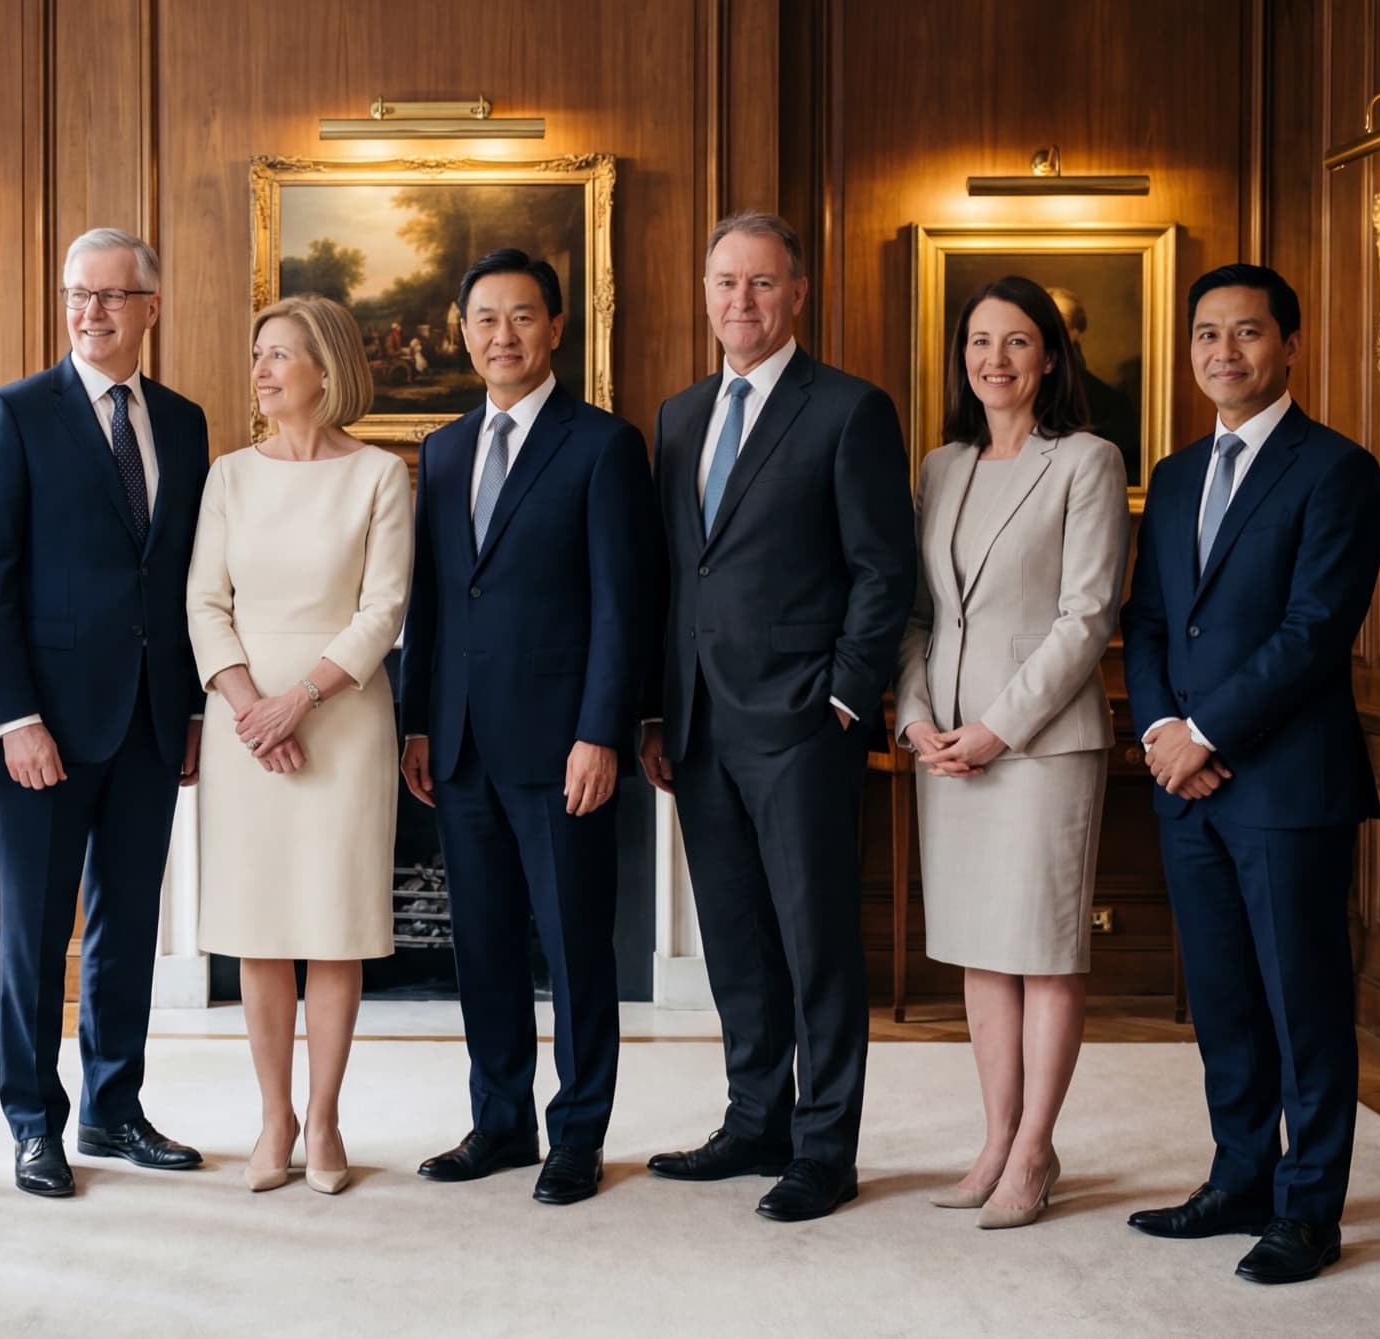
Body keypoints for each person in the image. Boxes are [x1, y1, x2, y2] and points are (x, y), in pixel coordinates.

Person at [641, 212, 916, 1222]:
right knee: (735, 938)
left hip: (803, 722)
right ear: (706, 294)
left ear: (797, 293)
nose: (741, 301)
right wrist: (655, 711)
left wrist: (844, 695)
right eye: (725, 282)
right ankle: (755, 1118)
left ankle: (824, 1147)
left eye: (762, 283)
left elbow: (884, 569)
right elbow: (676, 574)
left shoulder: (849, 408)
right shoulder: (679, 415)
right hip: (698, 722)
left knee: (816, 943)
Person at [1120, 263, 1380, 1284]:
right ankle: (1239, 1177)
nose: (1223, 351)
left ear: (1289, 346)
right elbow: (1150, 619)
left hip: (1286, 786)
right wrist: (1161, 730)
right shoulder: (1176, 472)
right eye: (1206, 334)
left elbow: (1314, 630)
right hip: (1184, 784)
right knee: (1225, 1000)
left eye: (1246, 332)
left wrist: (1206, 732)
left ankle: (1308, 1208)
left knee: (1302, 1003)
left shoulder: (1337, 469)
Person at [400, 249, 658, 1206]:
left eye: (520, 316)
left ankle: (578, 1133)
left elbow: (623, 605)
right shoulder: (443, 450)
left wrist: (602, 731)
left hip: (562, 746)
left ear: (554, 327)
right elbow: (433, 599)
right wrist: (418, 722)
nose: (501, 335)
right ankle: (501, 1121)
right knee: (485, 944)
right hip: (460, 742)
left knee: (577, 944)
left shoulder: (603, 445)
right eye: (484, 319)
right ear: (463, 333)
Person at [0, 228, 209, 1197]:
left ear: (151, 307)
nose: (90, 312)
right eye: (77, 294)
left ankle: (113, 1107)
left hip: (151, 717)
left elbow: (184, 579)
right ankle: (34, 1123)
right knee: (34, 932)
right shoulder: (14, 414)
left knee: (127, 924)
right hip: (46, 725)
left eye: (110, 296)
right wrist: (13, 715)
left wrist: (190, 709)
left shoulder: (183, 422)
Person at [894, 276, 1130, 1230]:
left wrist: (999, 726)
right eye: (979, 341)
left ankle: (1035, 1148)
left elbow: (1087, 617)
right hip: (946, 744)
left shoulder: (1087, 460)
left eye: (1017, 341)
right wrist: (916, 718)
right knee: (980, 950)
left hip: (1038, 747)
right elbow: (919, 614)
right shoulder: (940, 465)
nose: (994, 359)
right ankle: (995, 1139)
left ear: (1051, 357)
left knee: (1042, 948)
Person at [186, 295, 412, 1195]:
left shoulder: (380, 475)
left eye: (281, 354)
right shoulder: (229, 476)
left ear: (328, 368)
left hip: (343, 720)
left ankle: (324, 1118)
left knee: (333, 924)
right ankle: (273, 1116)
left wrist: (300, 701)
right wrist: (253, 709)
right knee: (260, 928)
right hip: (245, 726)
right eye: (258, 355)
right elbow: (205, 603)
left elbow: (383, 610)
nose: (262, 371)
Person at [1046, 286, 1142, 484]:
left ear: (1075, 332)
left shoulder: (1108, 401)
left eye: (1060, 319)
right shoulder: (1012, 385)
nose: (1049, 327)